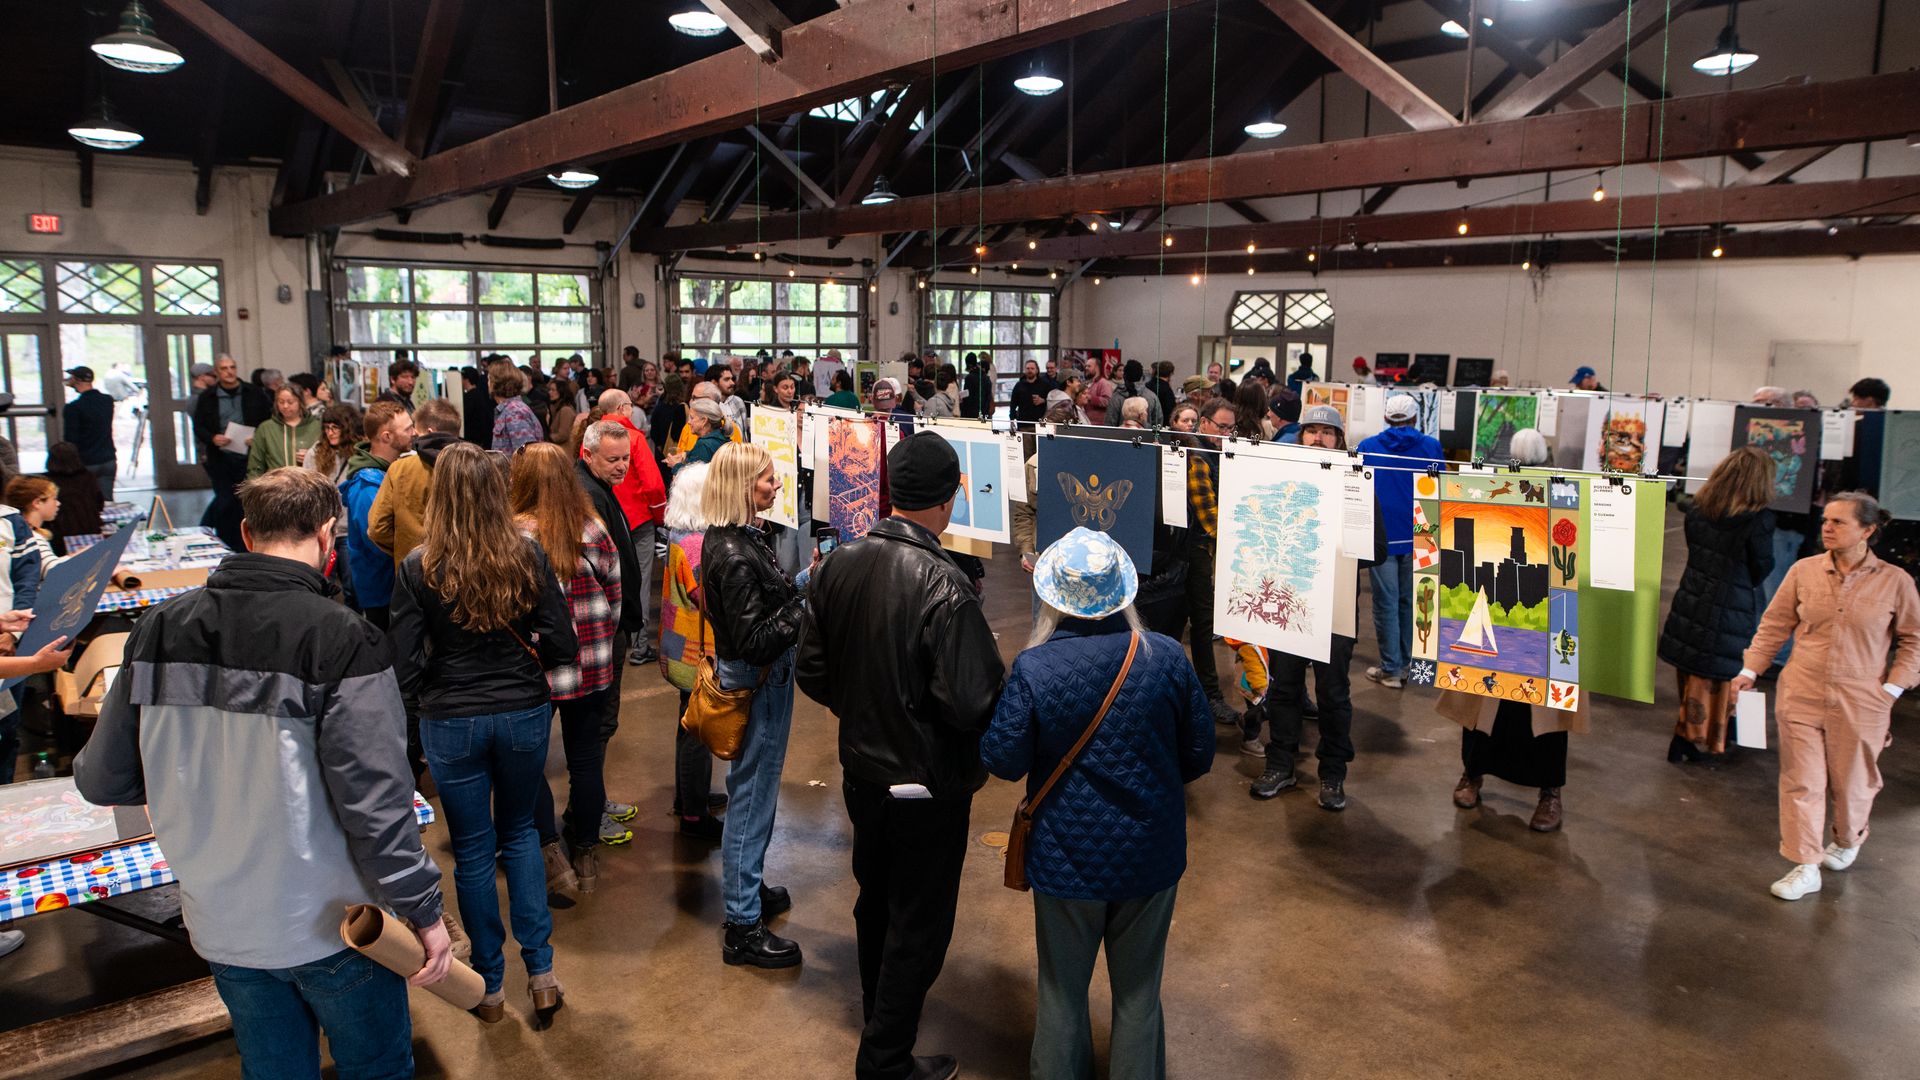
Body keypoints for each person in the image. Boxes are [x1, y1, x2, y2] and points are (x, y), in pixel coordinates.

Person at [74, 467, 450, 1075]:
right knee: (376, 1068)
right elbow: (377, 806)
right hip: (335, 925)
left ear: (247, 533)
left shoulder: (157, 629)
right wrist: (424, 911)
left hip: (220, 920)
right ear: (330, 535)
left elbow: (101, 780)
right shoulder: (344, 638)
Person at [797, 431, 1004, 1080]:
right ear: (947, 503)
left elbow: (811, 669)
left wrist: (862, 708)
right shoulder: (945, 587)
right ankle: (885, 1058)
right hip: (925, 783)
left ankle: (878, 1017)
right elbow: (972, 704)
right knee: (919, 923)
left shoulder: (838, 563)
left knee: (875, 901)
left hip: (861, 773)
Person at [981, 528, 1212, 1080]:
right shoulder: (1166, 658)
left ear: (1053, 597)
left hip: (1066, 858)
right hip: (1151, 853)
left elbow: (1003, 760)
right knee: (1138, 995)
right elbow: (1199, 754)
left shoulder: (1035, 668)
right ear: (1124, 593)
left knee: (1060, 994)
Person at [389, 444, 571, 1024]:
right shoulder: (527, 553)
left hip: (451, 718)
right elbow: (562, 641)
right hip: (521, 710)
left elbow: (404, 667)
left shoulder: (419, 566)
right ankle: (540, 974)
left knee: (470, 851)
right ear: (496, 491)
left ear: (439, 495)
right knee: (520, 834)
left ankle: (489, 987)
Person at [1732, 492, 1920, 901]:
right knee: (1803, 781)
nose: (1827, 528)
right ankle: (1805, 864)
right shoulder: (1804, 571)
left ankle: (1849, 838)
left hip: (1862, 699)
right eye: (1825, 521)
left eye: (1839, 522)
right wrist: (1750, 670)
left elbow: (1913, 640)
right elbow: (1774, 624)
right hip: (1802, 692)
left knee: (1854, 784)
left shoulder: (1895, 582)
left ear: (1867, 531)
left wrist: (1891, 688)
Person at [701, 442, 811, 968]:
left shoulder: (740, 538)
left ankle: (749, 887)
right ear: (743, 487)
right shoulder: (734, 553)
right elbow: (757, 640)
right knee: (750, 799)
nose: (776, 487)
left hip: (761, 681)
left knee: (757, 793)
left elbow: (769, 604)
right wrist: (807, 605)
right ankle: (743, 927)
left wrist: (805, 582)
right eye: (768, 480)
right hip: (758, 683)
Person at [1440, 429, 1580, 832]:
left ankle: (1550, 792)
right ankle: (1473, 773)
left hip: (1545, 619)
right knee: (1482, 703)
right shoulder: (1487, 491)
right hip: (1492, 612)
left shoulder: (1563, 492)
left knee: (1545, 712)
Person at [511, 444, 621, 896]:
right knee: (586, 761)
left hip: (535, 668)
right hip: (591, 663)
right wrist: (599, 639)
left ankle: (551, 853)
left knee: (530, 765)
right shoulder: (593, 527)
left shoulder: (513, 533)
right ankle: (587, 852)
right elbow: (614, 593)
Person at [1252, 406, 1359, 809]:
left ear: (1339, 439)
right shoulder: (1284, 482)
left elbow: (1377, 549)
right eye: (1310, 431)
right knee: (1285, 688)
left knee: (1333, 694)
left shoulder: (1357, 482)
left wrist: (1330, 554)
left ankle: (1333, 774)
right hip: (1289, 605)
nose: (1317, 438)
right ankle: (1280, 764)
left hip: (1334, 608)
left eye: (1326, 432)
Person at [1658, 447, 1777, 762]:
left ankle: (1690, 735)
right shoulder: (1759, 519)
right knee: (1721, 674)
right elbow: (1761, 565)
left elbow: (1694, 547)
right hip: (1730, 602)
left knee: (1692, 670)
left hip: (1692, 594)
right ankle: (1695, 737)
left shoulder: (1697, 508)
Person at [575, 419, 648, 844]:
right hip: (602, 633)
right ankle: (586, 814)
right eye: (614, 459)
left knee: (603, 726)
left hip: (613, 629)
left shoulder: (600, 488)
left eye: (626, 458)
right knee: (596, 728)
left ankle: (594, 801)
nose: (622, 467)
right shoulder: (586, 495)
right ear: (589, 455)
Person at [1356, 393, 1445, 689]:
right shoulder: (1431, 447)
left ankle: (1392, 669)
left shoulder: (1368, 447)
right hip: (1421, 532)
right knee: (1412, 601)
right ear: (1416, 418)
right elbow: (1441, 487)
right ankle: (1408, 664)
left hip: (1381, 536)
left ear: (1385, 417)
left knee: (1385, 603)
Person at [658, 462, 724, 840]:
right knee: (698, 731)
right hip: (695, 653)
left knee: (689, 725)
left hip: (679, 647)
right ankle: (694, 816)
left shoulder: (680, 533)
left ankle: (691, 798)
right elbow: (708, 598)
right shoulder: (697, 544)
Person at [1186, 399, 1241, 724]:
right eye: (1221, 427)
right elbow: (1209, 518)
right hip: (1193, 555)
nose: (1226, 433)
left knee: (1205, 627)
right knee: (1202, 627)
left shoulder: (1216, 452)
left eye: (1231, 428)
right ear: (1204, 423)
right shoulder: (1198, 456)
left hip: (1204, 553)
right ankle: (1209, 696)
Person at [340, 402, 416, 626]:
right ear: (386, 436)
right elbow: (376, 538)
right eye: (407, 429)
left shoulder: (386, 473)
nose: (414, 433)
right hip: (381, 591)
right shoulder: (367, 485)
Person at [367, 398, 461, 573]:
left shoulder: (400, 469)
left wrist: (404, 547)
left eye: (416, 432)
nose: (413, 436)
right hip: (463, 570)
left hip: (413, 571)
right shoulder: (474, 465)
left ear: (430, 431)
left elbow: (377, 528)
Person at [192, 354, 271, 551]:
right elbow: (198, 426)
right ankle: (226, 545)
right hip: (221, 457)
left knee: (248, 501)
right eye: (224, 368)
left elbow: (267, 419)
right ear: (217, 373)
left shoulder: (253, 393)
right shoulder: (208, 397)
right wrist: (212, 438)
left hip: (250, 455)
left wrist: (258, 436)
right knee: (225, 501)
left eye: (232, 367)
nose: (229, 372)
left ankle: (250, 544)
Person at [1, 476, 65, 614]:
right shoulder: (32, 538)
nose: (58, 503)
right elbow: (55, 570)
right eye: (54, 498)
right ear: (37, 503)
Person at [61, 366, 118, 501]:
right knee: (106, 502)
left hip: (86, 461)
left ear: (76, 380)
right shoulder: (107, 401)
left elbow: (71, 439)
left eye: (71, 378)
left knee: (86, 504)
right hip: (108, 459)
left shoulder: (73, 408)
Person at [246, 385, 322, 479]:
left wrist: (311, 457)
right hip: (276, 487)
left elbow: (329, 460)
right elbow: (255, 465)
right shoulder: (266, 428)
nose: (285, 406)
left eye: (290, 402)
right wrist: (254, 490)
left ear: (300, 402)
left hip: (308, 485)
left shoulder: (316, 427)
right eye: (281, 402)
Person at [44, 443, 105, 556]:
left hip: (59, 534)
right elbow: (99, 504)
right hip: (90, 529)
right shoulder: (88, 477)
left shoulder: (46, 482)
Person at [492, 363, 544, 454]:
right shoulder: (509, 409)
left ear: (496, 383)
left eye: (489, 379)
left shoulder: (514, 412)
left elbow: (525, 455)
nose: (487, 383)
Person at [669, 398, 729, 472]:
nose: (689, 422)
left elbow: (693, 478)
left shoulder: (704, 445)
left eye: (692, 418)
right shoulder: (721, 437)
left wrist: (675, 466)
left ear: (704, 420)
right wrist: (687, 454)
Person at [1105, 361, 1164, 427]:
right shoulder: (1152, 397)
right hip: (1145, 437)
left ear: (1124, 376)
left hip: (1120, 436)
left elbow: (1109, 425)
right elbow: (1158, 424)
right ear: (1142, 376)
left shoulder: (1116, 397)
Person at [461, 365, 496, 449]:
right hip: (482, 439)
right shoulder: (481, 395)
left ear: (466, 379)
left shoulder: (468, 397)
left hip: (472, 440)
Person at [1011, 360, 1052, 424]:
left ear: (1037, 370)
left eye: (1032, 368)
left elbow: (1052, 401)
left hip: (1040, 422)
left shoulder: (1045, 385)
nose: (1030, 370)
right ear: (1025, 370)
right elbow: (1013, 404)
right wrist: (1012, 419)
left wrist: (1043, 400)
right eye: (1027, 368)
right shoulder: (1019, 385)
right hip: (1023, 422)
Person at [547, 378, 579, 445]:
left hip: (564, 450)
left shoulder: (566, 410)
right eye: (549, 390)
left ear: (561, 391)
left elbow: (563, 435)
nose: (549, 392)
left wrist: (546, 439)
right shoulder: (556, 408)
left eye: (553, 390)